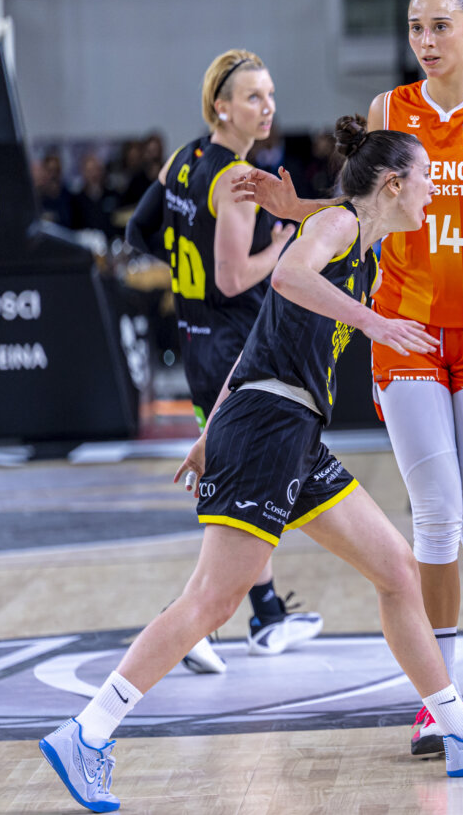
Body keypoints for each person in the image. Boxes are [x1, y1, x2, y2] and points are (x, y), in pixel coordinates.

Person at [38, 118, 463, 813]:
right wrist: (372, 325)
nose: (433, 193)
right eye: (427, 180)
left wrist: (211, 426)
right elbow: (286, 275)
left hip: (287, 429)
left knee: (399, 570)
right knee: (212, 601)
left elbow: (261, 330)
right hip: (272, 426)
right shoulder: (339, 227)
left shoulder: (355, 240)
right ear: (395, 185)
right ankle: (87, 734)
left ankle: (462, 733)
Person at [232, 0, 463, 756]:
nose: (424, 40)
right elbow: (360, 206)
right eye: (414, 27)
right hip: (405, 330)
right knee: (434, 515)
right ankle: (443, 694)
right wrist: (297, 213)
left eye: (439, 26)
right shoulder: (388, 112)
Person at [123, 50, 322, 673]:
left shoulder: (182, 158)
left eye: (270, 95)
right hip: (239, 348)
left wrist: (187, 267)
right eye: (254, 98)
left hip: (196, 342)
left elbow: (139, 230)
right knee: (245, 489)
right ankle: (197, 623)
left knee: (248, 484)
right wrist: (284, 248)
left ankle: (264, 613)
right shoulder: (235, 180)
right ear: (222, 107)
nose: (268, 108)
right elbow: (236, 279)